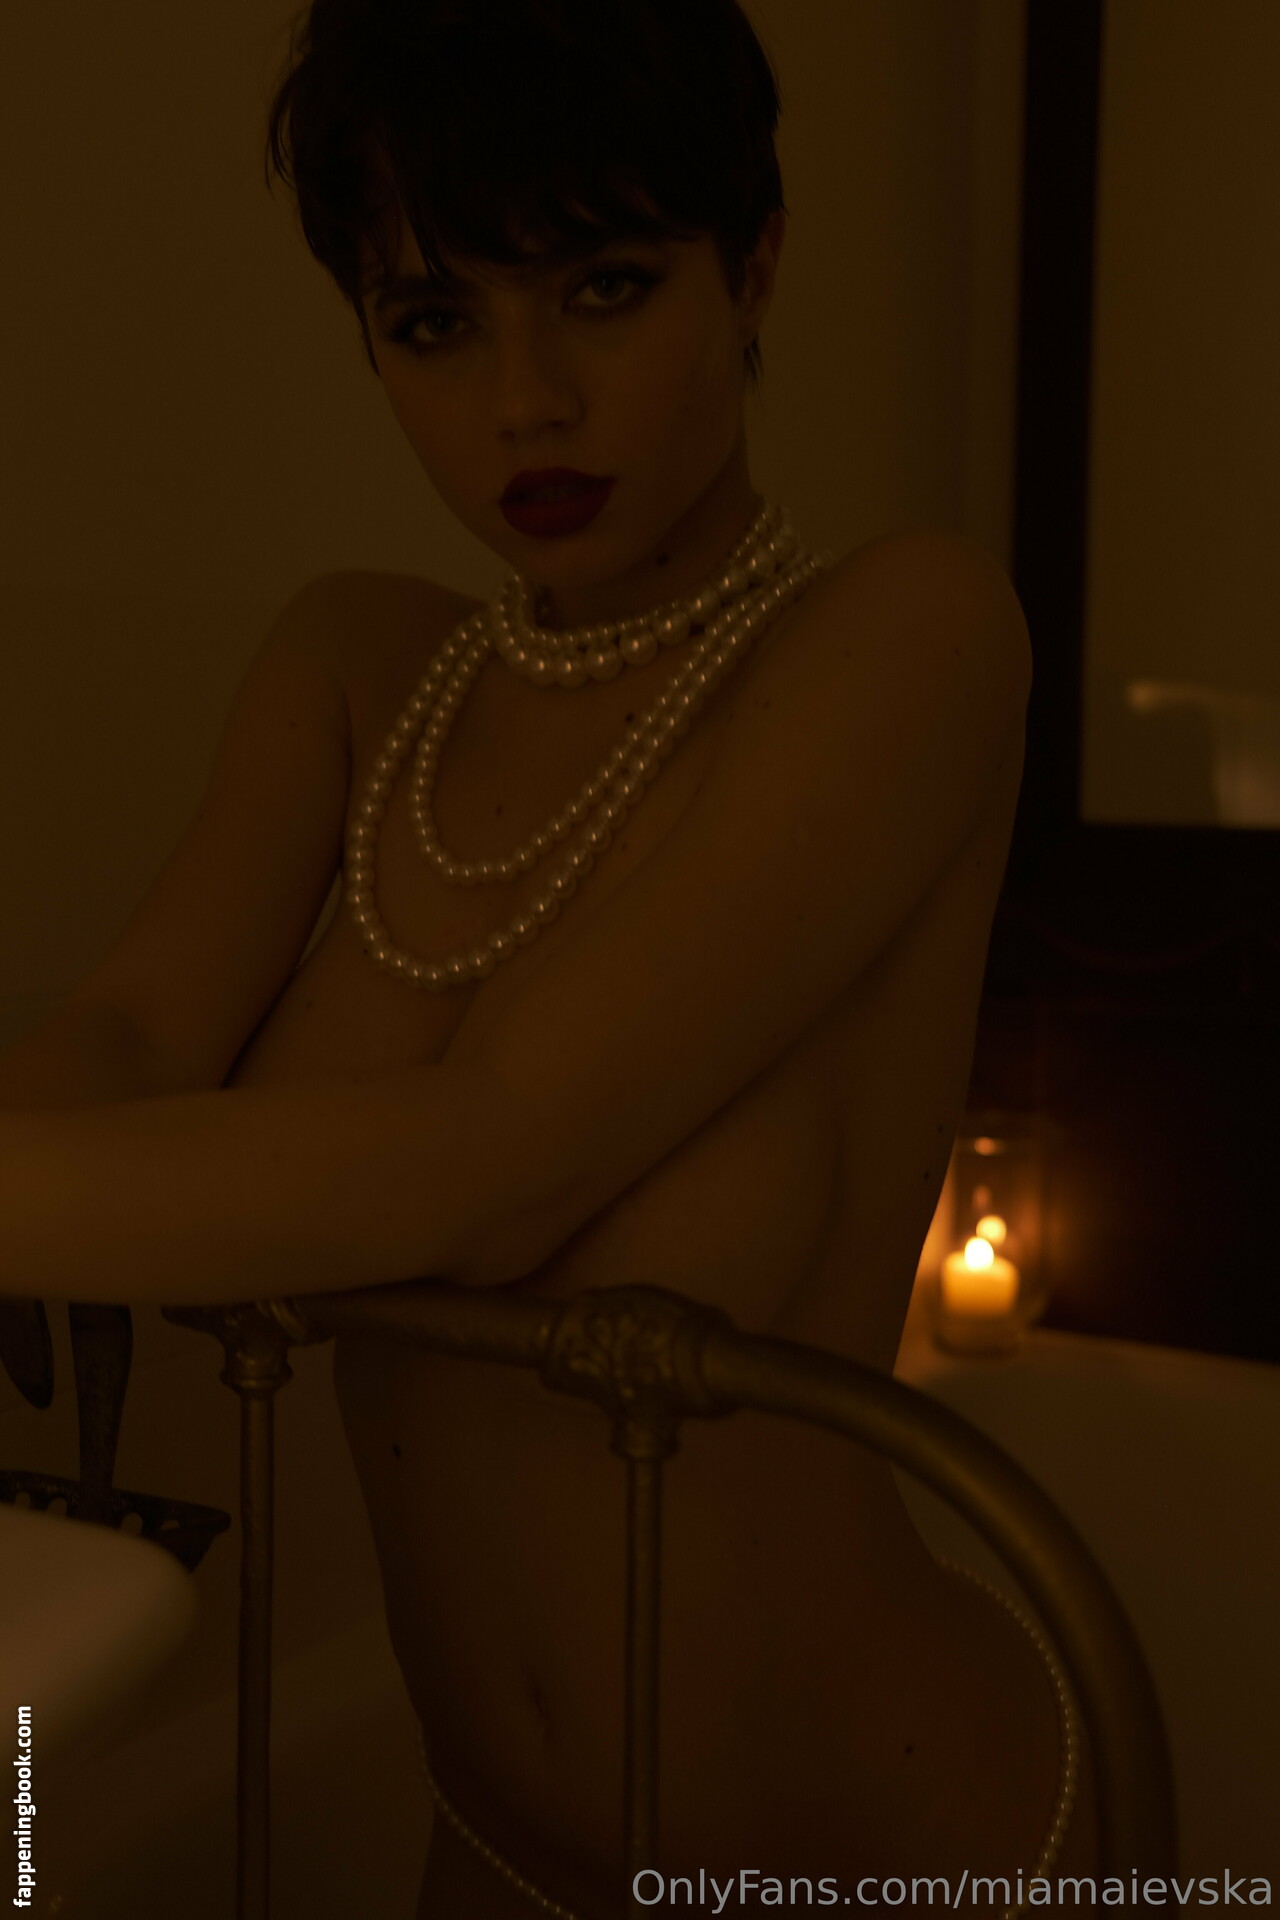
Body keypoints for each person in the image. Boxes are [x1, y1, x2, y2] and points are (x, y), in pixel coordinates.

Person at [0, 0, 1096, 1911]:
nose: (526, 403)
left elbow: (497, 1157)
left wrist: (45, 1209)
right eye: (436, 320)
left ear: (754, 266)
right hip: (493, 1851)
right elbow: (132, 1029)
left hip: (884, 1858)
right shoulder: (358, 668)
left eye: (603, 288)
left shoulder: (911, 639)